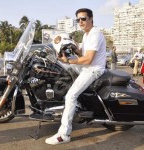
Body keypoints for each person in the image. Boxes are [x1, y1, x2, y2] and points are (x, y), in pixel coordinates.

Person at [45, 8, 106, 145]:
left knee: (71, 95)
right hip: (87, 67)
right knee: (58, 69)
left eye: (83, 19)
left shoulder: (95, 34)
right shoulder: (86, 35)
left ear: (91, 18)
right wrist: (71, 47)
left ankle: (64, 135)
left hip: (93, 69)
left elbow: (88, 59)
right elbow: (81, 54)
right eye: (78, 19)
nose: (80, 22)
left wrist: (68, 60)